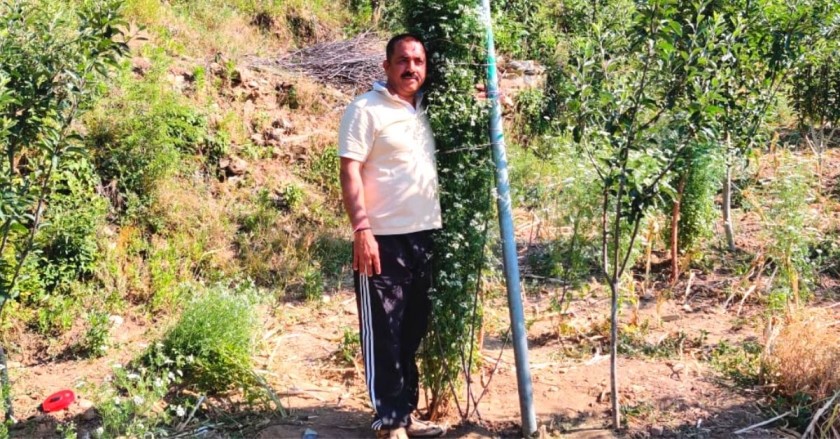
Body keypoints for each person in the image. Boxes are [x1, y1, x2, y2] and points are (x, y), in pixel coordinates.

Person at [338, 33, 445, 439]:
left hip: (423, 237)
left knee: (412, 328)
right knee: (383, 331)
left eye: (418, 61)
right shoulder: (365, 110)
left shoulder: (428, 110)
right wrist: (361, 228)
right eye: (402, 60)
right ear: (386, 66)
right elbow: (349, 171)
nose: (411, 67)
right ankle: (388, 421)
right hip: (381, 238)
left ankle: (405, 414)